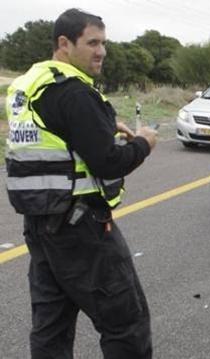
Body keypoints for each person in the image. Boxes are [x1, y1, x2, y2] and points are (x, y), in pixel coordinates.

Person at [4, 8, 157, 358]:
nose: (101, 51)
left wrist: (101, 124)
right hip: (83, 229)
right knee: (125, 323)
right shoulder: (75, 92)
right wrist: (144, 143)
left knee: (51, 329)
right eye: (92, 43)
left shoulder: (31, 85)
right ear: (64, 43)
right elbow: (108, 162)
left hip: (41, 225)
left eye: (103, 43)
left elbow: (56, 130)